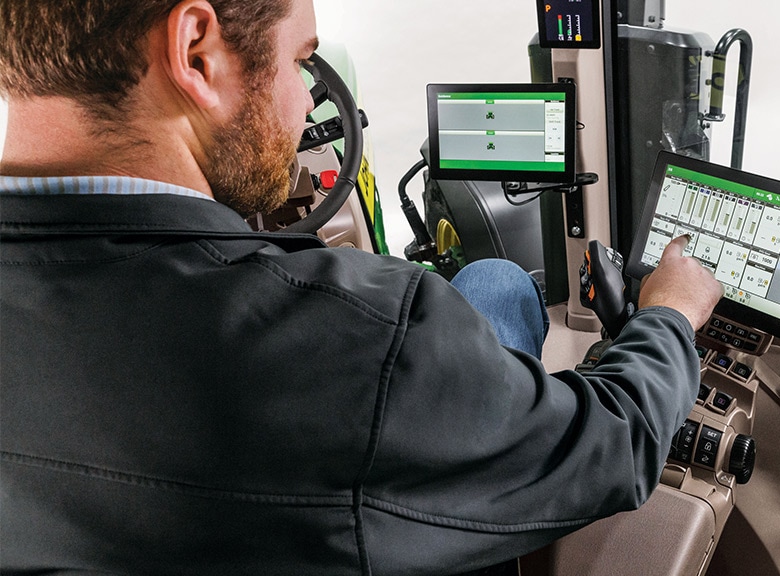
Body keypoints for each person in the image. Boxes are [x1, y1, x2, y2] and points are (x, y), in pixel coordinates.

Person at [0, 0, 723, 574]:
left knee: (494, 282)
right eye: (300, 63)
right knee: (498, 285)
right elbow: (613, 444)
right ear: (198, 52)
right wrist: (668, 315)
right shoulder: (355, 337)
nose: (300, 106)